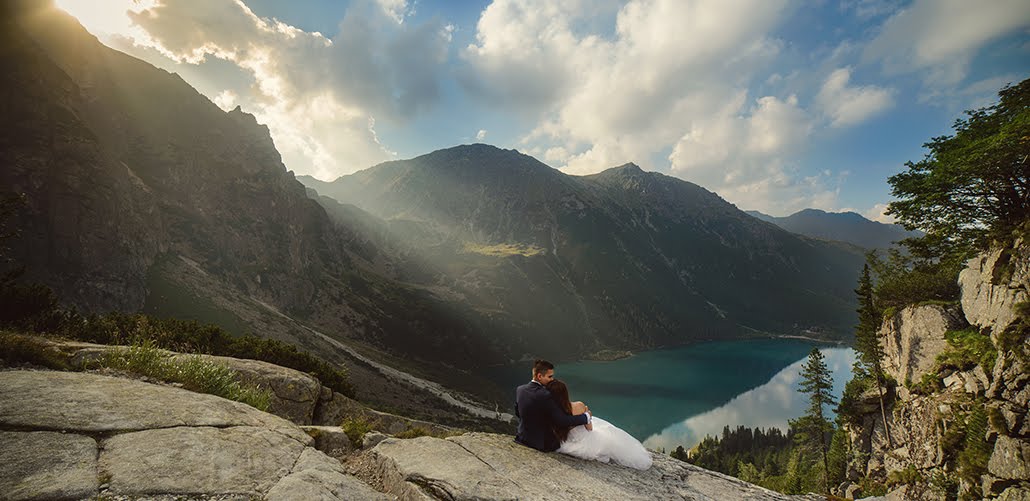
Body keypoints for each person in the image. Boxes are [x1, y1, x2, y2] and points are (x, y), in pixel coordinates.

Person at [547, 379, 652, 470]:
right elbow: (589, 428)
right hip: (585, 439)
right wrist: (587, 416)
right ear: (565, 393)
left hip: (566, 440)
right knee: (609, 433)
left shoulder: (551, 412)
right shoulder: (578, 405)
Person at [514, 360, 590, 452]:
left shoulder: (520, 389)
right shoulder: (546, 395)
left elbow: (518, 413)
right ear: (539, 376)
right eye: (550, 376)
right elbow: (562, 420)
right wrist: (586, 417)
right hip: (541, 444)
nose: (552, 379)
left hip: (522, 438)